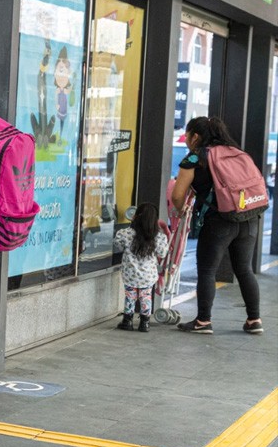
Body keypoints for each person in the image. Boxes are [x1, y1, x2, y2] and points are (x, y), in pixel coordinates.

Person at [170, 116, 263, 335]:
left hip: (219, 220)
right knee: (244, 269)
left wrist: (180, 210)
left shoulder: (195, 158)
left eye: (187, 135)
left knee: (207, 269)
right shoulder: (237, 152)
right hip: (248, 216)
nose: (186, 140)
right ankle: (254, 320)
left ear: (195, 136)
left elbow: (177, 195)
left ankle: (203, 321)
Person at [112, 203, 168, 333]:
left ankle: (127, 321)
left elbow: (117, 246)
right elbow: (162, 253)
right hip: (148, 275)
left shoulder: (125, 233)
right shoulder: (159, 237)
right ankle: (144, 323)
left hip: (130, 274)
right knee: (146, 297)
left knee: (130, 296)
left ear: (136, 216)